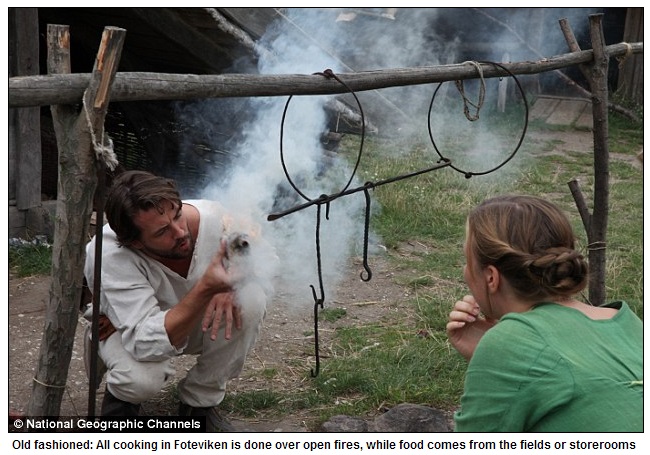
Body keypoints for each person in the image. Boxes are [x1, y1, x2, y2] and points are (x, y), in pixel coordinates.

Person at [83, 170, 276, 431]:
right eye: (163, 231)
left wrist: (236, 278)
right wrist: (207, 288)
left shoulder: (217, 218)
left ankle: (199, 403)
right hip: (129, 326)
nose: (180, 231)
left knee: (249, 299)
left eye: (177, 215)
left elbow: (268, 260)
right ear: (136, 243)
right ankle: (119, 408)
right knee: (142, 379)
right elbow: (143, 342)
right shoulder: (107, 253)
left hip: (193, 320)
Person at [447, 195, 643, 432]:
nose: (465, 271)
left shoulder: (513, 342)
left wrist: (501, 348)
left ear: (491, 277)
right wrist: (489, 358)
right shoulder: (626, 322)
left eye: (468, 261)